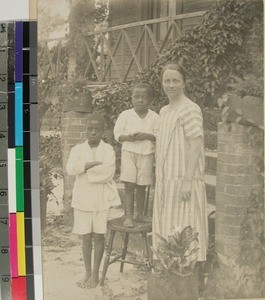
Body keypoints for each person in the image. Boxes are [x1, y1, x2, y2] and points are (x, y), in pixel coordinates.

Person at [152, 63, 208, 264]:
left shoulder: (190, 109)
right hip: (166, 181)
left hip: (183, 181)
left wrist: (187, 180)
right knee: (167, 226)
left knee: (186, 227)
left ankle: (190, 277)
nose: (171, 85)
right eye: (167, 80)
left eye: (176, 80)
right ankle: (169, 272)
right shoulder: (165, 111)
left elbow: (196, 146)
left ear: (184, 83)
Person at [66, 113, 120, 289]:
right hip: (82, 199)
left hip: (101, 200)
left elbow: (108, 173)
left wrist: (85, 170)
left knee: (98, 236)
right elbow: (71, 169)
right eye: (90, 128)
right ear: (85, 129)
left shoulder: (108, 150)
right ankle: (87, 272)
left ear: (103, 131)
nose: (93, 132)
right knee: (85, 237)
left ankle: (96, 274)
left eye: (97, 129)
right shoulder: (77, 150)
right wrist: (90, 164)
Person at [114, 83, 159, 227]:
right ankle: (128, 216)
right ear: (132, 99)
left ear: (151, 100)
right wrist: (128, 137)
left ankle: (139, 214)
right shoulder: (125, 115)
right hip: (129, 153)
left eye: (144, 97)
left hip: (146, 154)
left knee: (142, 185)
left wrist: (147, 135)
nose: (140, 100)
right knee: (129, 184)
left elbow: (159, 135)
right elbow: (117, 133)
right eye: (137, 97)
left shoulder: (155, 117)